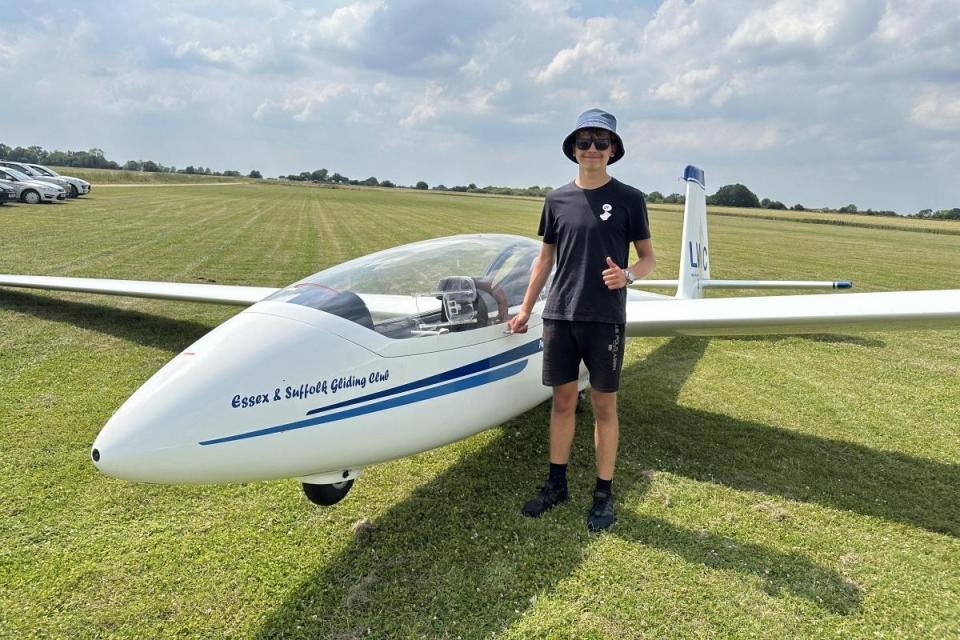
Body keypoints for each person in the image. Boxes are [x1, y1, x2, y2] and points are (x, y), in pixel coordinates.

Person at [507, 108, 655, 532]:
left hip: (604, 318)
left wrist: (625, 275)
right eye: (584, 142)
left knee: (604, 405)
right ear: (573, 149)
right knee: (563, 402)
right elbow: (544, 259)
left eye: (601, 142)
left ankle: (603, 494)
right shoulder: (556, 199)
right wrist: (525, 308)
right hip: (559, 314)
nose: (592, 149)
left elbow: (647, 259)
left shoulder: (630, 199)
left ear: (613, 151)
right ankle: (557, 485)